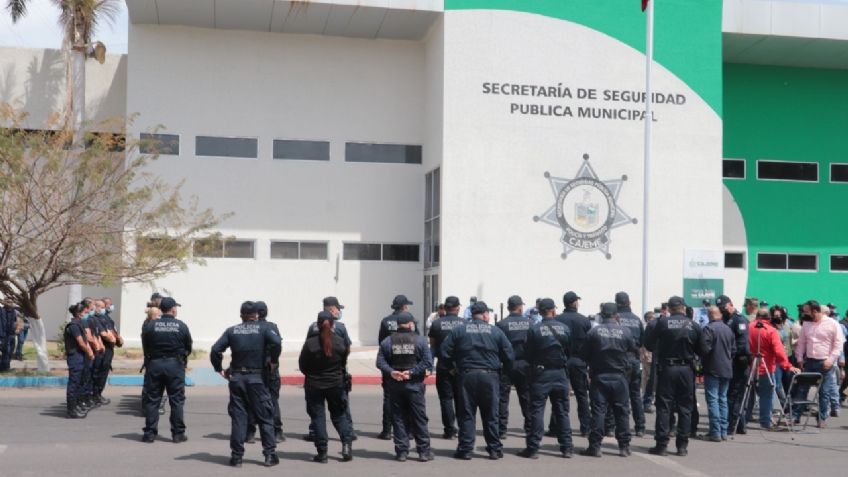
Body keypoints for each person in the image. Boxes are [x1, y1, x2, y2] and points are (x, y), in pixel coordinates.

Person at [211, 301, 282, 467]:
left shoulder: (232, 330)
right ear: (256, 315)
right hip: (257, 378)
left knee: (239, 417)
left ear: (241, 314)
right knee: (265, 416)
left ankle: (237, 457)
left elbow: (215, 350)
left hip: (237, 378)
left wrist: (218, 368)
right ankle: (270, 455)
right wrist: (273, 360)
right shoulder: (264, 329)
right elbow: (277, 343)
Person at [441, 300, 514, 460]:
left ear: (472, 315)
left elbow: (444, 352)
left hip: (466, 376)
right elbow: (509, 355)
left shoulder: (459, 330)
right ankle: (494, 449)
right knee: (491, 414)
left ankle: (466, 449)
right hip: (490, 376)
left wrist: (452, 368)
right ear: (486, 314)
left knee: (466, 413)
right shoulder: (496, 332)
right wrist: (503, 372)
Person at [644, 296, 701, 457]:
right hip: (686, 370)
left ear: (669, 308)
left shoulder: (662, 323)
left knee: (664, 407)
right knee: (685, 407)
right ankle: (682, 446)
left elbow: (648, 344)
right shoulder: (694, 325)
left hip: (667, 368)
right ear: (683, 308)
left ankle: (661, 445)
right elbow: (703, 349)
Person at [579, 303, 637, 458]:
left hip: (600, 376)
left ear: (601, 315)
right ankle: (624, 447)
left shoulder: (593, 332)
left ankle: (595, 446)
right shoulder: (625, 332)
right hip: (619, 377)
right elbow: (633, 350)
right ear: (616, 316)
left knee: (598, 412)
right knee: (622, 412)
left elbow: (583, 355)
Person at [518, 298, 573, 459]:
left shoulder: (535, 329)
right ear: (553, 311)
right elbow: (569, 351)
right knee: (562, 412)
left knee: (536, 411)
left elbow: (527, 354)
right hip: (560, 374)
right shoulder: (564, 328)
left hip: (541, 374)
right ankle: (567, 448)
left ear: (540, 312)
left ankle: (533, 448)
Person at [376, 311, 434, 462]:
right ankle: (424, 452)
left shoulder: (387, 341)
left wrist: (392, 372)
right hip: (414, 384)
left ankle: (402, 451)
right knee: (419, 418)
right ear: (410, 324)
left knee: (399, 418)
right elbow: (428, 362)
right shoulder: (420, 341)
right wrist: (412, 372)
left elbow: (380, 362)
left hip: (395, 385)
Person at [299, 311, 354, 463]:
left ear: (317, 324)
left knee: (318, 417)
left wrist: (314, 374)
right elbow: (343, 364)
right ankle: (346, 447)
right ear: (333, 324)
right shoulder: (340, 343)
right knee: (339, 415)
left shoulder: (310, 344)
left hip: (314, 384)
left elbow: (303, 366)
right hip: (336, 384)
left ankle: (322, 452)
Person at [140, 297, 192, 443]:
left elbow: (146, 346)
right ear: (173, 309)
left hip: (155, 364)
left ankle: (149, 433)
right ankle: (177, 434)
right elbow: (188, 347)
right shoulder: (181, 326)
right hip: (174, 365)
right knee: (176, 400)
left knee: (153, 400)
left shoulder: (150, 325)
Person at [793, 300, 845, 427]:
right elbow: (802, 343)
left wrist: (830, 360)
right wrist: (799, 358)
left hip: (825, 362)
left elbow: (838, 344)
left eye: (806, 312)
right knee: (802, 389)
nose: (803, 314)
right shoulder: (806, 324)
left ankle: (822, 418)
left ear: (815, 311)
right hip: (809, 362)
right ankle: (795, 416)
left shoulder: (832, 324)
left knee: (824, 392)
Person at [745, 309, 799, 430]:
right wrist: (788, 366)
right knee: (766, 396)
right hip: (766, 367)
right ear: (769, 318)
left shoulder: (749, 327)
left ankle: (743, 420)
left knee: (748, 395)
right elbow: (779, 351)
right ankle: (765, 421)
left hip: (750, 366)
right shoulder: (771, 330)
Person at [377, 294, 418, 440]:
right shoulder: (410, 319)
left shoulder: (386, 321)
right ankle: (410, 430)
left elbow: (381, 342)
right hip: (409, 361)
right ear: (404, 306)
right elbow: (417, 339)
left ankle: (387, 430)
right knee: (410, 397)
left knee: (389, 398)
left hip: (391, 364)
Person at [244, 301, 285, 444]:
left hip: (254, 369)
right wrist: (273, 360)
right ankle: (277, 432)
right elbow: (277, 344)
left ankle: (250, 432)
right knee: (272, 400)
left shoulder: (250, 328)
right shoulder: (272, 327)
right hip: (270, 368)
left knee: (252, 401)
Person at [555, 291, 592, 437]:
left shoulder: (557, 320)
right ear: (575, 303)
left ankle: (556, 426)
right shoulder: (584, 320)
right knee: (581, 395)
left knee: (558, 395)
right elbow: (590, 343)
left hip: (561, 360)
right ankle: (585, 427)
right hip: (579, 361)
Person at [427, 295, 464, 439]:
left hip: (443, 366)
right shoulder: (465, 323)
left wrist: (429, 365)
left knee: (446, 399)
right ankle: (463, 428)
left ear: (445, 308)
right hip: (461, 367)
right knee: (461, 399)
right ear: (457, 308)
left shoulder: (436, 324)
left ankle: (449, 430)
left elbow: (433, 346)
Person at [496, 295, 532, 439]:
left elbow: (497, 346)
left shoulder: (501, 324)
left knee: (503, 398)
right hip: (525, 364)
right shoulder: (530, 323)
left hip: (507, 364)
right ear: (520, 307)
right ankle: (530, 427)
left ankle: (501, 429)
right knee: (526, 397)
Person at [715, 295, 751, 435]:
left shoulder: (739, 319)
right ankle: (739, 425)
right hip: (730, 362)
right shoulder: (725, 319)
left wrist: (730, 354)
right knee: (732, 394)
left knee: (734, 395)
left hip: (738, 362)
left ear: (730, 304)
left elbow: (742, 343)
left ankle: (733, 425)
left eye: (723, 307)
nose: (722, 309)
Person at [698, 306, 736, 441]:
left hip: (713, 368)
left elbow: (704, 349)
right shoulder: (728, 329)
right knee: (723, 399)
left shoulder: (708, 329)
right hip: (726, 368)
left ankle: (715, 432)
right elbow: (733, 350)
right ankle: (723, 431)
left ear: (709, 315)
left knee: (713, 400)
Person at [614, 292, 646, 437]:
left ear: (616, 303)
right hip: (634, 360)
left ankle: (618, 427)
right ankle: (640, 427)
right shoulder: (637, 320)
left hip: (620, 360)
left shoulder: (616, 320)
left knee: (619, 396)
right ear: (630, 302)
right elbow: (643, 341)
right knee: (635, 395)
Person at [64, 303, 95, 418]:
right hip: (75, 357)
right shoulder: (73, 326)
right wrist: (89, 352)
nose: (86, 313)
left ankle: (76, 405)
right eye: (84, 312)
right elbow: (81, 343)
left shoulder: (79, 324)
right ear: (78, 313)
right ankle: (71, 409)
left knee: (79, 382)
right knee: (74, 382)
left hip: (80, 356)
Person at [641, 311, 656, 413]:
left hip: (649, 355)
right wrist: (645, 353)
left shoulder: (650, 327)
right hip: (648, 355)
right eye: (652, 318)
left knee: (648, 376)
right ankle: (647, 396)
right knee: (648, 377)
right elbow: (644, 341)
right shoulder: (648, 327)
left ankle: (648, 395)